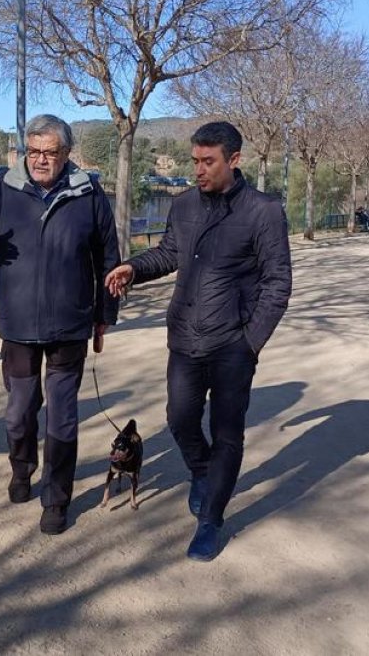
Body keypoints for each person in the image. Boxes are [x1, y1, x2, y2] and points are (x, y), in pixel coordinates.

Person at [105, 121, 292, 561]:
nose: (199, 170)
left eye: (208, 162)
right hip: (184, 337)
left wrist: (251, 342)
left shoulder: (262, 211)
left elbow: (277, 283)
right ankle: (202, 472)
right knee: (179, 418)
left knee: (227, 435)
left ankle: (211, 519)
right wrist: (134, 267)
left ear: (234, 159)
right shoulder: (185, 204)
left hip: (233, 346)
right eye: (195, 161)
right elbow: (170, 252)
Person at [0, 114, 120, 535]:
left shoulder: (89, 193)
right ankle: (21, 469)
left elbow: (108, 258)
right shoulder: (1, 188)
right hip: (18, 324)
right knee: (19, 413)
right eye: (34, 151)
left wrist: (103, 316)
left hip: (70, 327)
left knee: (62, 417)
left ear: (66, 153)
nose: (41, 160)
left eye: (50, 152)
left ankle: (56, 498)